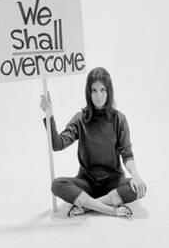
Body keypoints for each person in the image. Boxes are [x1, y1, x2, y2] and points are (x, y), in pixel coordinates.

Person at [40, 67, 147, 218]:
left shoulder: (119, 119)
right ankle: (110, 209)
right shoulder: (80, 119)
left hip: (113, 182)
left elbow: (127, 153)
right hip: (86, 183)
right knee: (57, 185)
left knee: (138, 188)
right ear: (88, 93)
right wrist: (49, 115)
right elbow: (57, 144)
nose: (99, 96)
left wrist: (135, 175)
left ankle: (87, 206)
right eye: (94, 90)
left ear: (109, 91)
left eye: (103, 90)